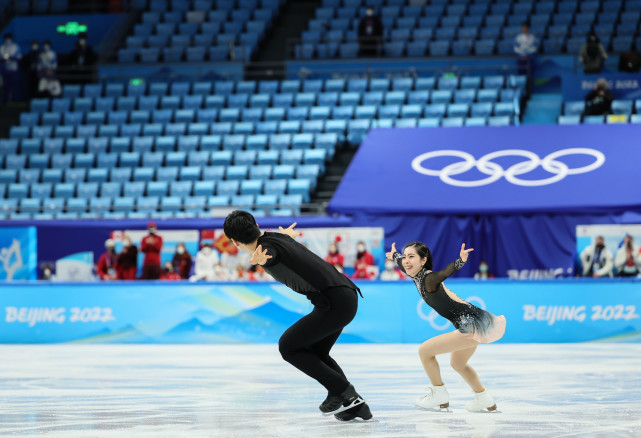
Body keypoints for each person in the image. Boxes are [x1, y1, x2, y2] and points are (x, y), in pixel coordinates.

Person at [223, 211, 372, 421]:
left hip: (334, 301)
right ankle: (354, 405)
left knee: (288, 346)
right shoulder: (276, 237)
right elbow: (279, 250)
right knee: (314, 351)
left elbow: (271, 254)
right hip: (343, 295)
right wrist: (286, 240)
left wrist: (263, 258)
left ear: (235, 242)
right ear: (256, 224)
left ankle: (344, 392)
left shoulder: (266, 248)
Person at [385, 241, 506, 412]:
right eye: (405, 257)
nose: (406, 261)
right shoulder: (414, 273)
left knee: (425, 351)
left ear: (423, 261)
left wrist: (460, 261)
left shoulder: (428, 279)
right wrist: (395, 256)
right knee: (458, 363)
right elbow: (402, 263)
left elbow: (443, 273)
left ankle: (439, 393)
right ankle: (484, 399)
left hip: (471, 324)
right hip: (476, 322)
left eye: (411, 257)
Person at [1, 33, 22, 102]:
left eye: (9, 38)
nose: (7, 40)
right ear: (4, 39)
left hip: (14, 69)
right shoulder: (1, 48)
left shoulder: (15, 46)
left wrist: (12, 57)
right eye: (6, 39)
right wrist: (3, 59)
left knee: (15, 86)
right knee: (5, 87)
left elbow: (20, 57)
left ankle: (15, 101)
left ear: (11, 39)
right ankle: (5, 102)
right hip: (5, 70)